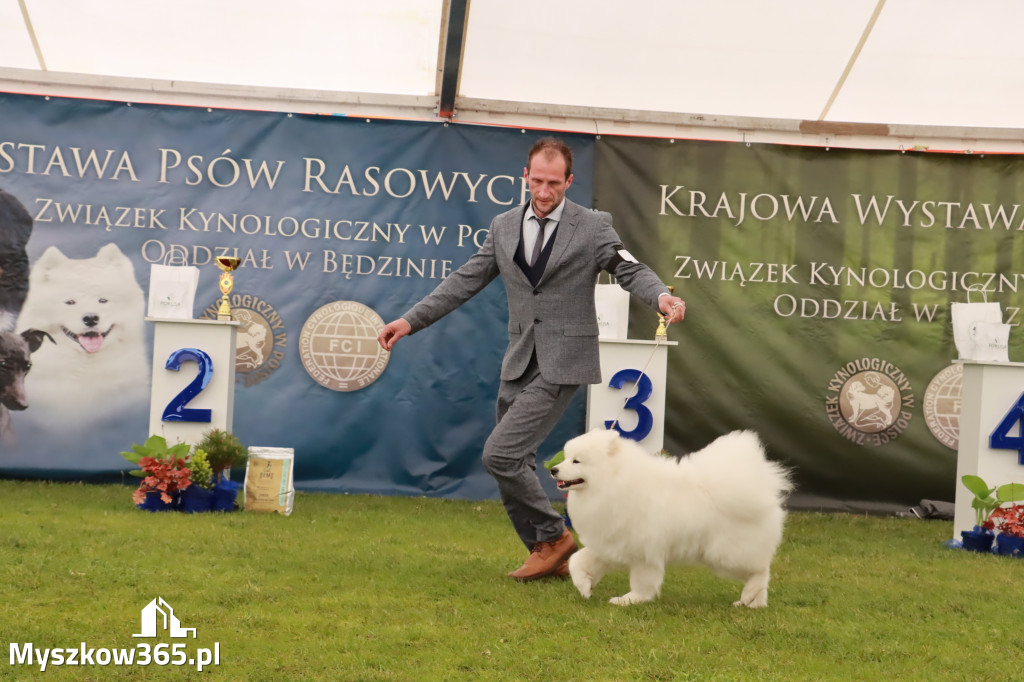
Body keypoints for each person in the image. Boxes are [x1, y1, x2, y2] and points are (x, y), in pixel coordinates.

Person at [377, 137, 685, 581]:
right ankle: (548, 552)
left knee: (500, 454)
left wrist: (659, 296)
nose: (544, 192)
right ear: (525, 177)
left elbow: (629, 268)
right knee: (515, 461)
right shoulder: (503, 226)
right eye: (537, 181)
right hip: (520, 357)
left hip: (565, 359)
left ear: (569, 181)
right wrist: (409, 321)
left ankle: (554, 537)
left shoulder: (594, 226)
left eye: (554, 183)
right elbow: (465, 279)